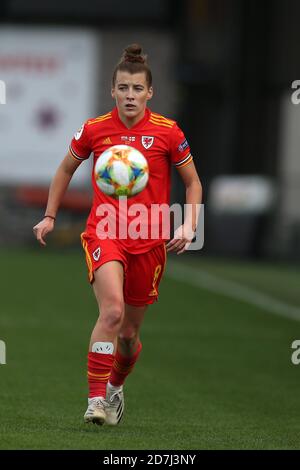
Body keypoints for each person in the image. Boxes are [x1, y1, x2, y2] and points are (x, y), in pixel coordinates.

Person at [33, 44, 202, 426]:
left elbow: (192, 183)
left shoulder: (167, 132)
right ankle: (95, 401)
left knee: (128, 334)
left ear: (150, 93)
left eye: (137, 89)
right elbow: (64, 171)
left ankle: (115, 388)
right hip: (105, 232)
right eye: (123, 88)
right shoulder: (95, 130)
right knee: (111, 312)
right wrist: (49, 215)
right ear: (112, 91)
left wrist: (190, 224)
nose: (130, 96)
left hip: (150, 239)